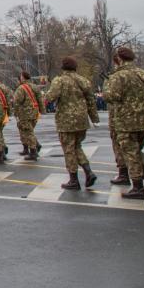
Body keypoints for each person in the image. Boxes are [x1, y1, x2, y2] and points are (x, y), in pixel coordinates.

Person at [104, 47, 144, 199]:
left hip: (125, 122)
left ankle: (137, 187)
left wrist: (106, 88)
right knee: (136, 151)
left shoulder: (118, 76)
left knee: (131, 154)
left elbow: (112, 96)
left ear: (120, 59)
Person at [45, 57, 100, 190]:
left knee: (69, 150)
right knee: (77, 147)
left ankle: (74, 179)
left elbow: (50, 97)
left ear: (63, 67)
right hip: (82, 120)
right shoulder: (83, 81)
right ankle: (88, 172)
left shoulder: (59, 80)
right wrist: (95, 119)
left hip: (66, 121)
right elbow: (91, 101)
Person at [12, 71, 44, 161]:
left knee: (28, 132)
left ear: (22, 77)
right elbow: (40, 99)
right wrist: (42, 110)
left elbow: (17, 101)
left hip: (25, 113)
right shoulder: (35, 86)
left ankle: (33, 152)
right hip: (35, 112)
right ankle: (35, 146)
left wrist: (15, 112)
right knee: (29, 131)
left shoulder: (21, 88)